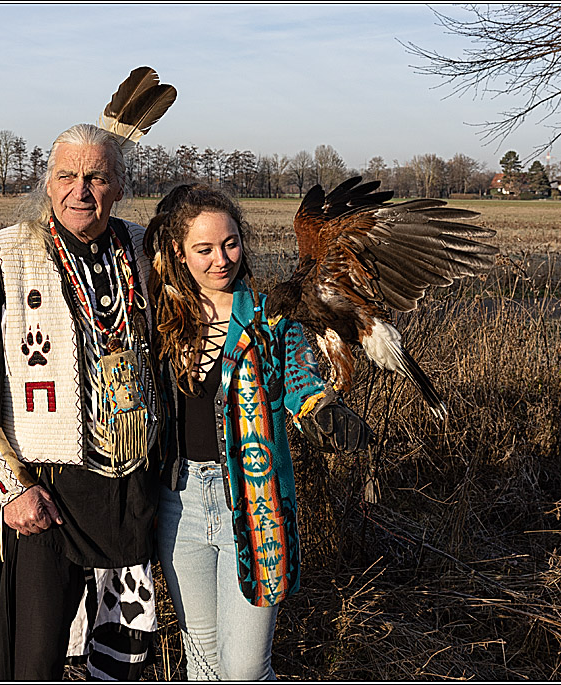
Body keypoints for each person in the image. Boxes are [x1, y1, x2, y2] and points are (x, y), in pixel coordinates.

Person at [0, 123, 161, 680]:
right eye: (67, 175)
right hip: (45, 496)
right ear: (48, 182)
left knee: (120, 660)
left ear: (119, 186)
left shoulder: (145, 251)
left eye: (97, 177)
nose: (80, 190)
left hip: (127, 496)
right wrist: (10, 489)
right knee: (33, 661)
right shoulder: (9, 255)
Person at [143, 183, 371, 680]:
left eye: (230, 243)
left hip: (254, 503)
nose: (220, 260)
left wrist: (322, 411)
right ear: (179, 253)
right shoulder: (161, 322)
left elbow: (301, 379)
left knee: (244, 669)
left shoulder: (272, 319)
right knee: (202, 662)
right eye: (204, 249)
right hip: (178, 504)